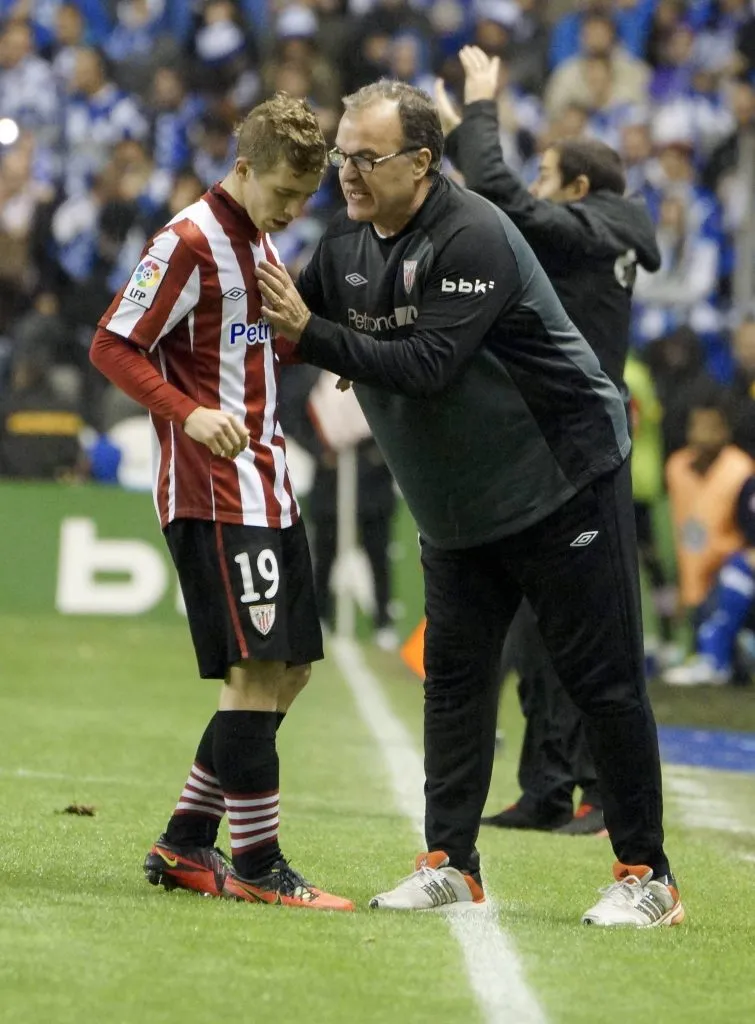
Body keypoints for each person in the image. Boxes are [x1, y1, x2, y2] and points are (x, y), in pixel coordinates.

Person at [255, 80, 684, 927]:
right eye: (342, 155)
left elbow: (424, 365)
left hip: (561, 482)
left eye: (366, 157)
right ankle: (451, 861)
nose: (347, 171)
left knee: (599, 683)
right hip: (458, 506)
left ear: (421, 161)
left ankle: (648, 875)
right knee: (452, 684)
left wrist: (314, 334)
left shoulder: (474, 232)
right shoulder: (343, 248)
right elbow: (284, 330)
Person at [89, 93, 354, 913]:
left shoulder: (260, 245)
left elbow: (246, 349)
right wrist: (189, 413)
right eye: (281, 191)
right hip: (214, 490)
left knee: (291, 669)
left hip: (269, 484)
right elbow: (111, 344)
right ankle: (259, 863)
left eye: (303, 198)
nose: (290, 208)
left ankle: (185, 840)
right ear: (242, 167)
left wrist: (305, 340)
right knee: (254, 669)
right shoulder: (188, 240)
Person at [435, 46, 661, 837]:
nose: (533, 189)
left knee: (585, 639)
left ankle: (602, 796)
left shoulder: (584, 233)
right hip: (546, 446)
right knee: (537, 640)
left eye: (545, 178)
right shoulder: (593, 234)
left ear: (577, 189)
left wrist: (479, 107)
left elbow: (497, 194)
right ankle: (547, 788)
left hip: (579, 454)